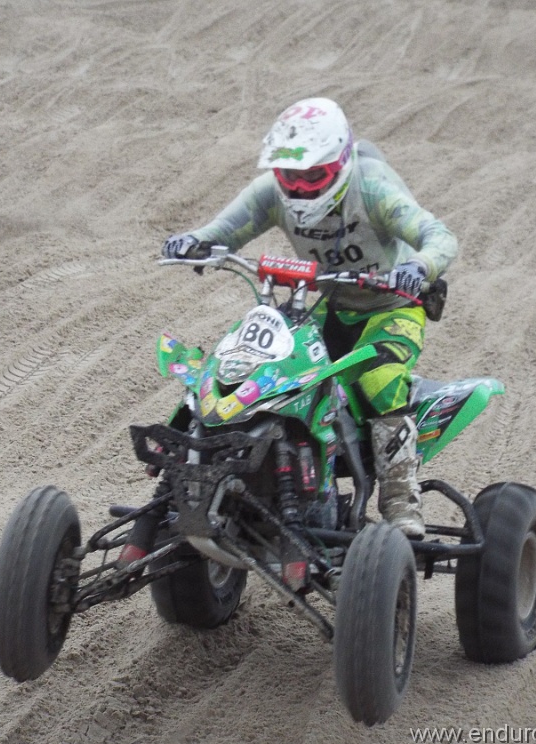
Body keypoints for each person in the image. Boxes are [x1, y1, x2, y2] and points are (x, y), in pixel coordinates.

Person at [162, 97, 458, 538]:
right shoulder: (271, 192)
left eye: (312, 176)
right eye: (289, 177)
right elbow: (224, 230)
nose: (299, 189)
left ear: (339, 163)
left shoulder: (371, 188)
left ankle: (400, 501)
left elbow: (438, 236)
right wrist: (194, 241)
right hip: (328, 308)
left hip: (392, 311)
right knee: (269, 373)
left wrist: (419, 267)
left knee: (379, 379)